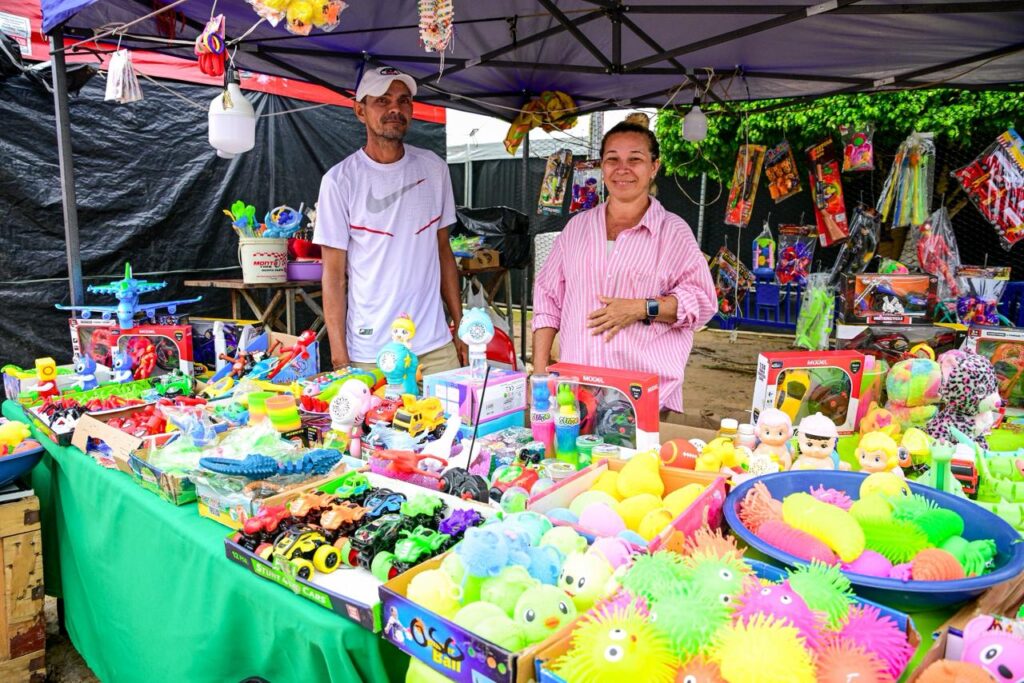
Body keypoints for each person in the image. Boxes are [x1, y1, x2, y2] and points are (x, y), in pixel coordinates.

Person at [532, 119, 716, 415]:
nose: (623, 168)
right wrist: (540, 373)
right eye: (612, 159)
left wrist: (642, 308)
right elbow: (547, 300)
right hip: (576, 398)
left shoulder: (672, 232)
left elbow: (703, 302)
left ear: (654, 167)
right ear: (601, 166)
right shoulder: (576, 229)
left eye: (635, 159)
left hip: (643, 400)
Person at [314, 66, 465, 377]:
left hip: (435, 347)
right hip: (372, 352)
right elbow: (333, 276)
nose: (395, 108)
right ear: (360, 111)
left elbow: (443, 252)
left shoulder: (434, 169)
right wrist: (339, 355)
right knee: (378, 426)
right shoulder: (340, 181)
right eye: (382, 100)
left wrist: (460, 324)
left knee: (457, 424)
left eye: (404, 100)